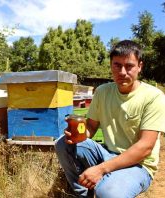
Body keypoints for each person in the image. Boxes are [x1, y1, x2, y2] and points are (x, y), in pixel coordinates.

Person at [55, 40, 165, 198]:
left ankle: (105, 187)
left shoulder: (153, 97)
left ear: (140, 66)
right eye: (117, 65)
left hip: (138, 165)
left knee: (108, 192)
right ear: (111, 65)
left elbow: (145, 147)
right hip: (106, 152)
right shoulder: (102, 91)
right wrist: (77, 134)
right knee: (62, 144)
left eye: (129, 66)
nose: (122, 72)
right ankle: (83, 195)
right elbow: (91, 128)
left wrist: (101, 169)